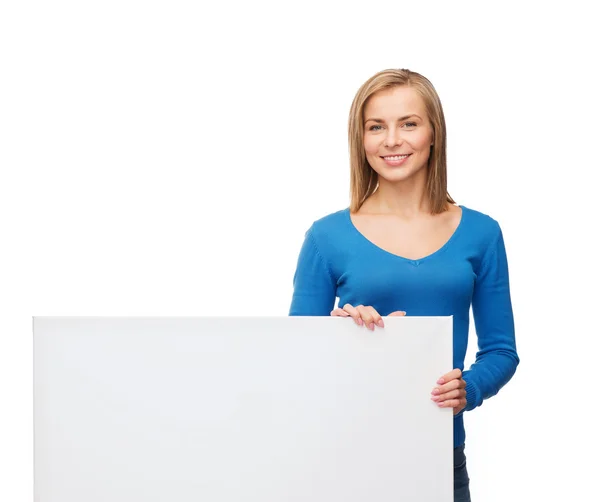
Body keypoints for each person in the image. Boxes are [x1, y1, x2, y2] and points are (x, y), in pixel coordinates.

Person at [288, 68, 519, 501]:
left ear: (434, 133)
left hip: (440, 456)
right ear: (361, 140)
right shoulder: (326, 237)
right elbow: (297, 360)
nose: (392, 140)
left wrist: (469, 388)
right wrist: (340, 335)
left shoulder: (481, 234)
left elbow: (502, 351)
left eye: (408, 123)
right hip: (346, 456)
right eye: (376, 127)